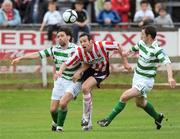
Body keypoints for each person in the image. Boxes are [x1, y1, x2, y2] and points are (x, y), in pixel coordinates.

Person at [97, 25, 176, 130]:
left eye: (143, 34)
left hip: (146, 81)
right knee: (140, 103)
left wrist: (170, 78)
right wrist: (123, 55)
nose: (141, 36)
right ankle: (158, 117)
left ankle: (107, 120)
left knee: (124, 96)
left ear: (149, 36)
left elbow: (167, 63)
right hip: (137, 77)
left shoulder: (157, 50)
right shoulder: (141, 43)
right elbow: (128, 52)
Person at [11, 27, 83, 132]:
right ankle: (55, 122)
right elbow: (37, 54)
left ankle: (59, 128)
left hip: (73, 81)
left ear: (69, 37)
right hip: (60, 80)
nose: (59, 38)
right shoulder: (54, 49)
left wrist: (79, 72)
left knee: (63, 103)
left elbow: (86, 63)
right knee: (53, 110)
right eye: (58, 36)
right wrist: (21, 58)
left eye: (62, 36)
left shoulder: (76, 49)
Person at [56, 32, 131, 130]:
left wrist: (125, 62)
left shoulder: (101, 45)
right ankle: (87, 122)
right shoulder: (79, 51)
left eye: (84, 41)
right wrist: (60, 71)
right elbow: (66, 63)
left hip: (102, 71)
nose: (82, 44)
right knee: (85, 90)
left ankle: (85, 117)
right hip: (89, 71)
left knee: (85, 88)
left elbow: (118, 45)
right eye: (81, 42)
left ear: (91, 41)